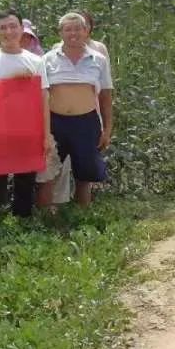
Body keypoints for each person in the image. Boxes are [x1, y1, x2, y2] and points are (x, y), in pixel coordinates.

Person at [0, 9, 55, 218]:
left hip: (27, 129)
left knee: (25, 179)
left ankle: (23, 222)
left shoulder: (36, 61)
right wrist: (15, 78)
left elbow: (44, 98)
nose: (8, 32)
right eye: (3, 28)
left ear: (22, 29)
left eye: (13, 26)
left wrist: (46, 135)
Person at [37, 13, 114, 208]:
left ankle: (83, 219)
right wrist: (44, 132)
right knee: (47, 174)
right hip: (55, 122)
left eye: (78, 28)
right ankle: (45, 222)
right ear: (60, 33)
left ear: (86, 31)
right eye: (68, 29)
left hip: (87, 123)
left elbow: (105, 96)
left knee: (85, 175)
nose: (73, 33)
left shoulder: (99, 59)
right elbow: (41, 97)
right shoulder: (46, 60)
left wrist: (107, 129)